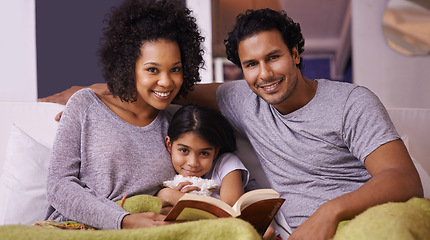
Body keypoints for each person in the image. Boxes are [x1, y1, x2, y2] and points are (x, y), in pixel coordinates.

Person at [40, 8, 424, 240]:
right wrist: (93, 89)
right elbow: (167, 87)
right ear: (241, 71)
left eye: (274, 58)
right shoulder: (245, 98)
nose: (265, 74)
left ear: (296, 54)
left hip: (361, 214)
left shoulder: (352, 102)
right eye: (251, 65)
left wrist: (329, 213)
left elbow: (404, 179)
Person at [44, 0, 204, 230]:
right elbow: (59, 186)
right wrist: (124, 221)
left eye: (175, 69)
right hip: (78, 228)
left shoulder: (179, 122)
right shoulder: (85, 106)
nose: (167, 81)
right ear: (129, 67)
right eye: (152, 69)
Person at [157, 104, 249, 208]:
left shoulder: (227, 164)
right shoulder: (166, 173)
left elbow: (229, 212)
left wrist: (172, 196)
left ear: (215, 152)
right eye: (184, 150)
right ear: (169, 145)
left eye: (204, 153)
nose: (193, 163)